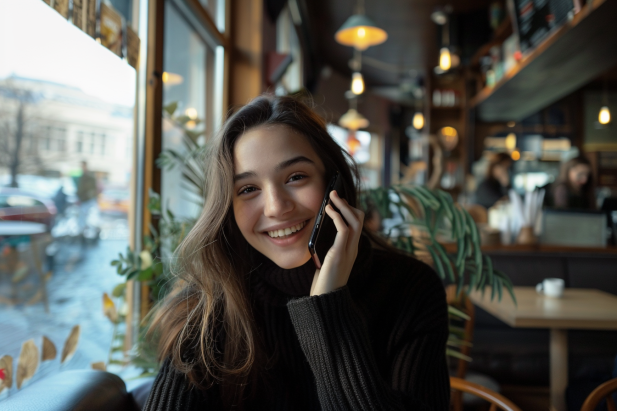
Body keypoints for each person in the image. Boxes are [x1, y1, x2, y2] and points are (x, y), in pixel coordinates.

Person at [143, 96, 450, 411]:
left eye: (295, 177)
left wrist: (328, 308)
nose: (276, 207)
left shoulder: (410, 289)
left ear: (335, 183)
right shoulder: (208, 303)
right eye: (248, 189)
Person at [76, 161, 98, 235]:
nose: (82, 168)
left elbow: (93, 189)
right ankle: (83, 232)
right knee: (82, 218)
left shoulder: (90, 177)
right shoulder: (81, 177)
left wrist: (90, 196)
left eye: (83, 166)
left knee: (90, 218)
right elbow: (80, 189)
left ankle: (89, 232)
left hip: (88, 200)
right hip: (83, 200)